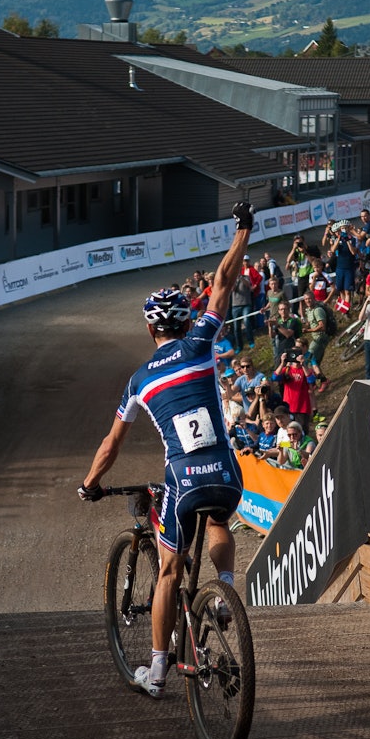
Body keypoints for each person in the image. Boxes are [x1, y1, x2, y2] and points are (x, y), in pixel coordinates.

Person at [77, 201, 255, 700]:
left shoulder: (139, 379)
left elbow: (112, 443)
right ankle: (225, 593)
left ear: (151, 330)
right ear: (184, 320)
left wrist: (90, 484)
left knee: (171, 570)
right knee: (218, 522)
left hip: (184, 481)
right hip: (227, 472)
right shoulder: (201, 342)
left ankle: (156, 673)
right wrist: (243, 228)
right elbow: (222, 280)